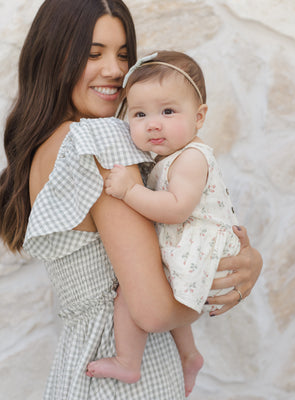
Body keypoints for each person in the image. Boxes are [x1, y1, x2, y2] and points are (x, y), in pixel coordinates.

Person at [0, 0, 263, 399]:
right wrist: (232, 284)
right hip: (125, 381)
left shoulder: (50, 145)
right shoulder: (96, 142)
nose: (116, 70)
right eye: (94, 54)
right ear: (53, 56)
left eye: (124, 54)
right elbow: (154, 310)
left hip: (81, 366)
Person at [86, 50, 242, 396]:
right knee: (166, 282)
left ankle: (129, 361)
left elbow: (175, 209)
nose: (152, 123)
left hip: (199, 253)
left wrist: (129, 192)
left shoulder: (190, 158)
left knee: (130, 291)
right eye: (139, 114)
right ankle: (189, 355)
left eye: (168, 111)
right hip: (192, 252)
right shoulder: (172, 156)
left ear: (199, 116)